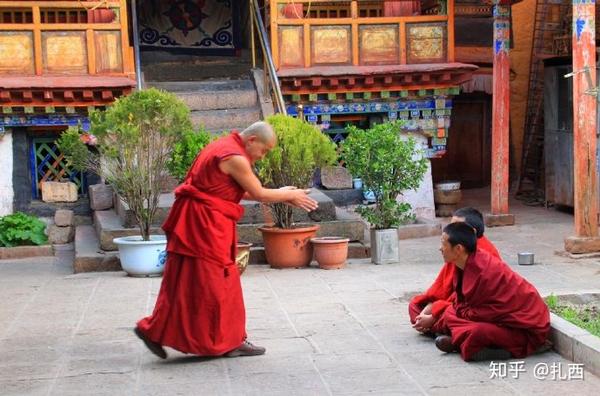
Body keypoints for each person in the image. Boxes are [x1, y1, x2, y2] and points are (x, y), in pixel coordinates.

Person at [134, 121, 318, 359]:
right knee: (215, 282)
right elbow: (259, 192)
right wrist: (289, 194)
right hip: (205, 225)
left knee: (189, 281)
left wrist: (284, 194)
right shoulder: (234, 157)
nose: (262, 157)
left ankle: (167, 332)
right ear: (252, 140)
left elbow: (244, 189)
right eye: (264, 150)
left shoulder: (223, 145)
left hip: (201, 220)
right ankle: (222, 341)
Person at [433, 222, 550, 361]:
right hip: (486, 317)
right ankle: (461, 341)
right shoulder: (462, 264)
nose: (440, 248)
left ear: (458, 249)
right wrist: (460, 311)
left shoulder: (485, 271)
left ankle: (461, 343)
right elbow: (463, 301)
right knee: (448, 313)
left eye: (443, 244)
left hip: (523, 328)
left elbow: (491, 312)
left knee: (478, 332)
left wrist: (462, 312)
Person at [409, 207, 500, 334]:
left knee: (467, 325)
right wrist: (431, 310)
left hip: (480, 307)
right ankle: (446, 331)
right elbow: (444, 287)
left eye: (456, 228)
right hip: (457, 304)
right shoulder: (460, 249)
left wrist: (434, 313)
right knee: (415, 305)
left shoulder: (480, 256)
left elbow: (467, 300)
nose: (440, 249)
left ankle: (448, 332)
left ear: (471, 232)